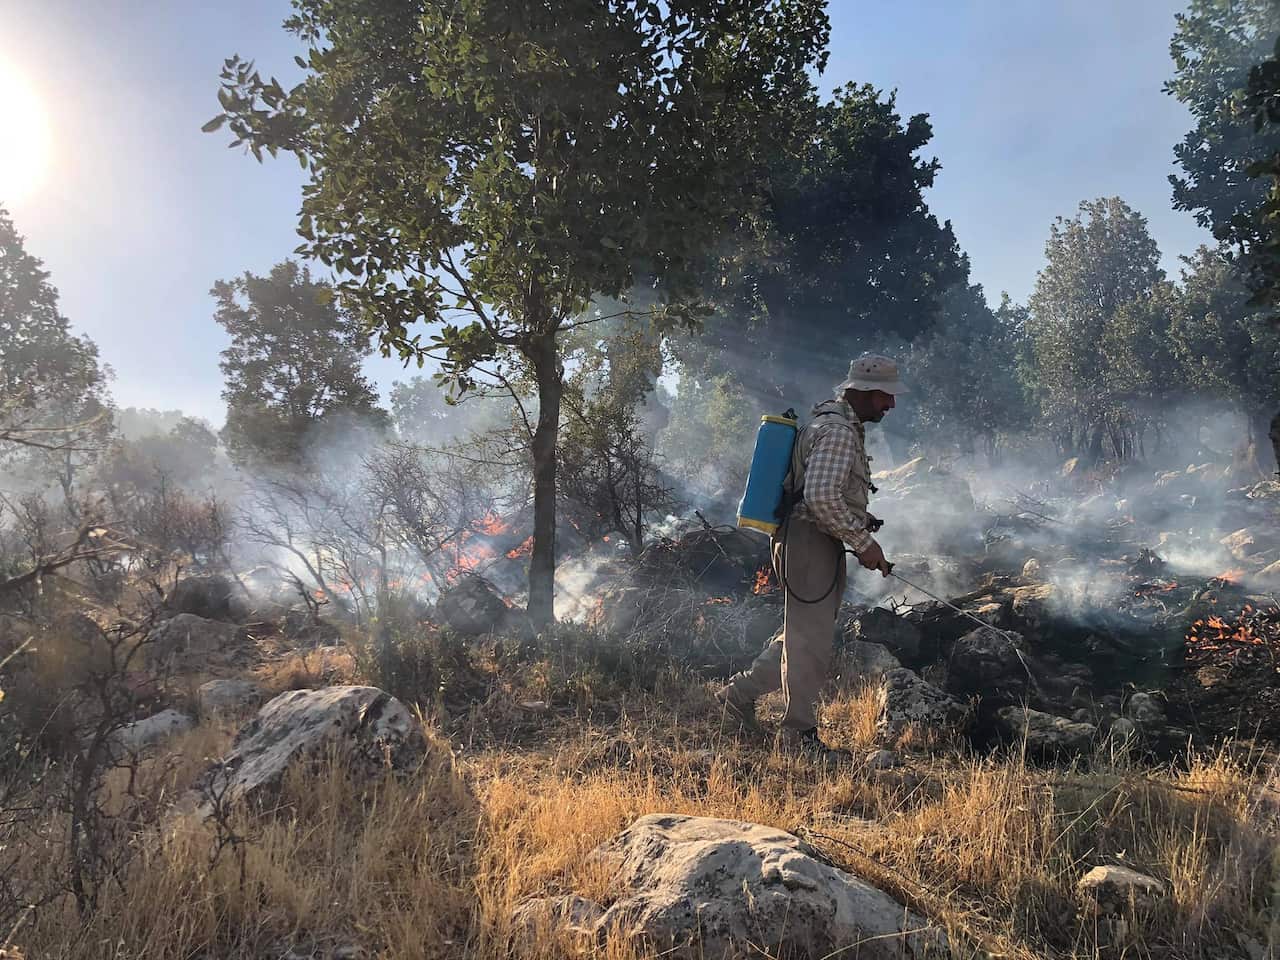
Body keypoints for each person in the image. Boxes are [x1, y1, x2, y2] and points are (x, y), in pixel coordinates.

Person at [716, 354, 906, 761]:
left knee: (801, 633)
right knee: (808, 642)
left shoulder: (831, 423)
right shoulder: (838, 433)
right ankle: (797, 739)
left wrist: (860, 518)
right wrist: (862, 541)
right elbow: (820, 498)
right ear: (862, 391)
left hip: (809, 538)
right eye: (884, 397)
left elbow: (821, 491)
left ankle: (736, 695)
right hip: (808, 541)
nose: (890, 405)